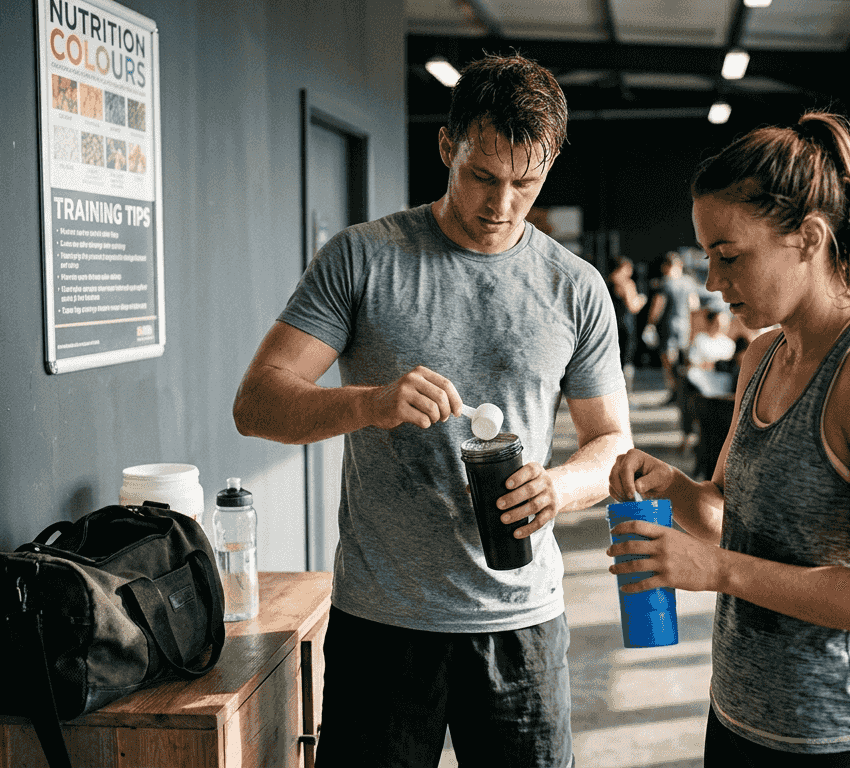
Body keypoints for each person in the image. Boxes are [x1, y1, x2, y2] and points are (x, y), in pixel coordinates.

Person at [232, 53, 630, 768]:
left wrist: (558, 487)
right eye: (484, 175)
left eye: (525, 182)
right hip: (383, 623)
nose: (502, 204)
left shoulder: (576, 288)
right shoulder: (362, 259)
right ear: (448, 147)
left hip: (523, 626)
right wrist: (372, 402)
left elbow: (610, 445)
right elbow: (257, 403)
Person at [607, 112, 850, 767]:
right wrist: (675, 487)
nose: (711, 281)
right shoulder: (761, 355)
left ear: (808, 238)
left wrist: (719, 573)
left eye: (729, 256)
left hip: (841, 739)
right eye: (707, 255)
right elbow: (729, 522)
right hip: (738, 718)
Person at [646, 250, 701, 401]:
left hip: (668, 326)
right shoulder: (689, 282)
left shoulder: (665, 283)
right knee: (683, 360)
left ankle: (674, 390)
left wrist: (650, 324)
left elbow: (658, 306)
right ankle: (683, 391)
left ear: (665, 266)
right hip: (685, 326)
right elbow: (694, 305)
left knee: (669, 360)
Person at [609, 256, 647, 389]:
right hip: (626, 325)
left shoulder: (608, 281)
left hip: (611, 326)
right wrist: (642, 300)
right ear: (624, 267)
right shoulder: (627, 283)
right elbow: (632, 306)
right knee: (627, 360)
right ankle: (626, 391)